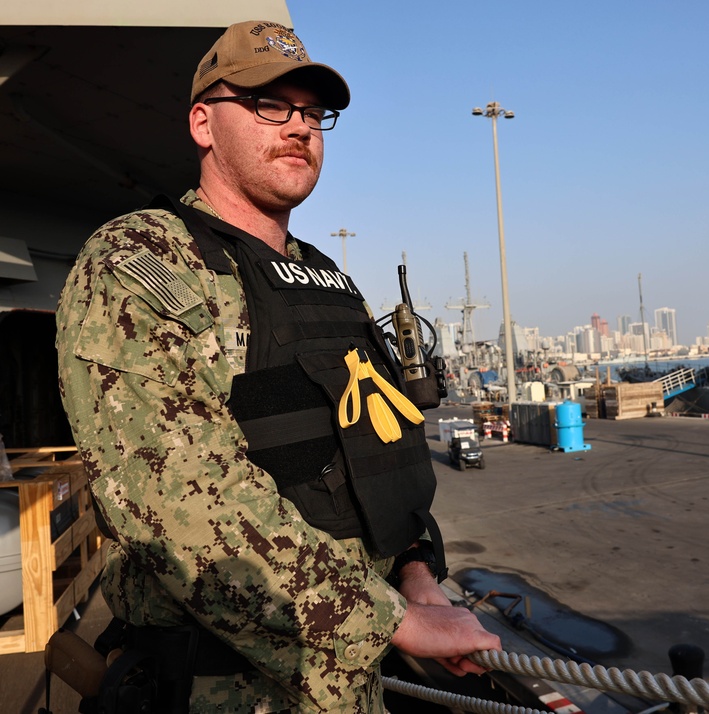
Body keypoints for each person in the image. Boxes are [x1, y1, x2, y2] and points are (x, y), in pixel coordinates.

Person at [56, 19, 500, 713]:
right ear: (203, 123)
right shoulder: (142, 262)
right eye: (269, 104)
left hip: (355, 685)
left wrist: (416, 572)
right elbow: (179, 501)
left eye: (312, 113)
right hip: (225, 692)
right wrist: (388, 621)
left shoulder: (330, 283)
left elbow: (380, 453)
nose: (299, 128)